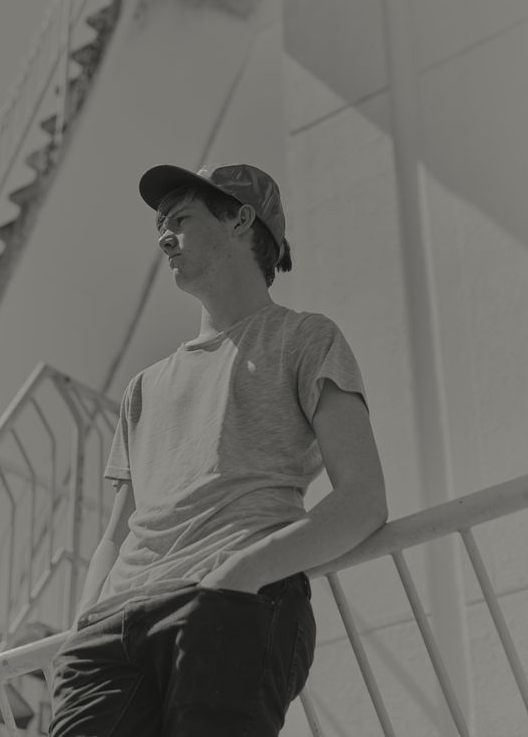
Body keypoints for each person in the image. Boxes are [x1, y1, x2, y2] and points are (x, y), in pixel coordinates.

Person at [49, 163, 387, 737]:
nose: (164, 237)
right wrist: (83, 627)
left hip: (228, 606)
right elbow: (114, 534)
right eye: (160, 225)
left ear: (240, 220)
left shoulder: (305, 338)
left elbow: (364, 499)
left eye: (180, 219)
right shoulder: (142, 388)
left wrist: (240, 576)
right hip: (111, 634)